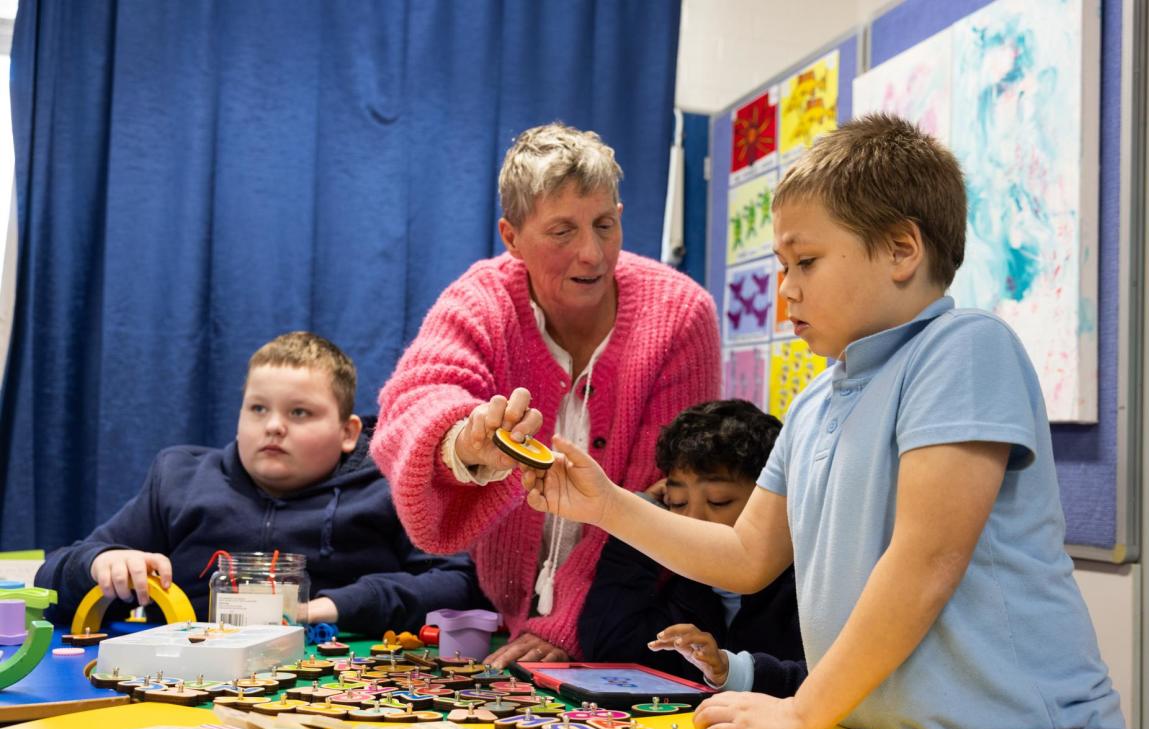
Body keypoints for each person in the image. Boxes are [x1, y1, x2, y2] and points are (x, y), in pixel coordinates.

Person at [524, 114, 1128, 729]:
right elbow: (746, 556)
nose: (786, 291)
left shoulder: (962, 348)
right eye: (781, 268)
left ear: (901, 249)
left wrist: (802, 709)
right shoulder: (814, 400)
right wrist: (606, 505)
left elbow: (926, 558)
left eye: (804, 263)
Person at [372, 123, 720, 668]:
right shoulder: (480, 300)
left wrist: (566, 623)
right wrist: (464, 439)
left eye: (605, 225)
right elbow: (415, 399)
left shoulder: (680, 316)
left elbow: (660, 492)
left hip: (640, 626)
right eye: (562, 232)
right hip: (509, 622)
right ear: (512, 238)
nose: (592, 253)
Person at [36, 331, 481, 635]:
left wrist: (329, 608)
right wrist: (102, 563)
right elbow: (51, 585)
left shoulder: (391, 485)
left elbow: (458, 584)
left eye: (299, 413)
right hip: (182, 687)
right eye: (258, 409)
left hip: (335, 689)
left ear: (348, 433)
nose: (273, 427)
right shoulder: (178, 478)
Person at [579, 399, 805, 695]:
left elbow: (827, 680)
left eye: (718, 500)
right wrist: (645, 516)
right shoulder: (686, 588)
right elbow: (609, 650)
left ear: (774, 500)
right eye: (678, 502)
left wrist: (733, 670)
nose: (692, 520)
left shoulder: (804, 588)